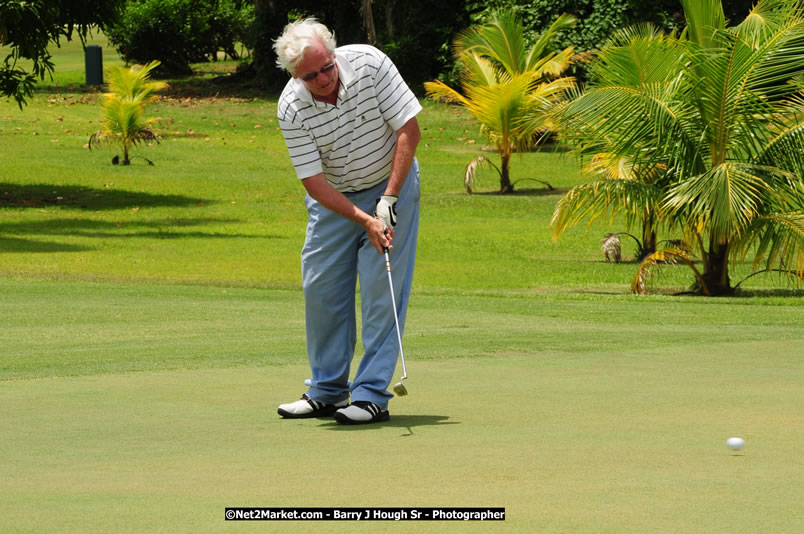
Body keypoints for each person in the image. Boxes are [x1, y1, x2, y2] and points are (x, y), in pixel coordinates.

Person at [272, 18, 421, 425]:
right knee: (320, 289)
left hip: (392, 182)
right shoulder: (290, 107)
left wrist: (388, 199)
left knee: (380, 288)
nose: (323, 79)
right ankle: (327, 390)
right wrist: (363, 219)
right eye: (310, 75)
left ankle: (372, 395)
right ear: (294, 75)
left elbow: (408, 129)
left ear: (333, 53)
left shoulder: (371, 64)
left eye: (326, 67)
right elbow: (314, 182)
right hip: (334, 198)